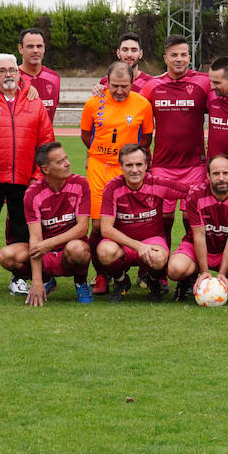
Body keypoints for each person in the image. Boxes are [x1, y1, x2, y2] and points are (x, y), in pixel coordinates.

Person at [0, 53, 55, 296]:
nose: (8, 75)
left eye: (12, 70)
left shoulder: (33, 101)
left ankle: (20, 276)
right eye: (2, 71)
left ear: (19, 73)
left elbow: (45, 142)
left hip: (25, 179)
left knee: (22, 230)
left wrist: (38, 176)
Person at [81, 61, 154, 294]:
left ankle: (138, 271)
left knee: (130, 220)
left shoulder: (143, 104)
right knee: (97, 226)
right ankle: (102, 275)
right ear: (107, 81)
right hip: (99, 167)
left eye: (125, 86)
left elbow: (146, 139)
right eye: (115, 86)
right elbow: (85, 135)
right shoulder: (94, 103)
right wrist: (101, 153)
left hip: (127, 170)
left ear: (133, 83)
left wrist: (128, 160)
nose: (120, 91)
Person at [0, 141, 93, 306]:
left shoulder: (81, 184)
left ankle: (81, 282)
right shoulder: (32, 194)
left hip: (69, 247)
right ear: (45, 169)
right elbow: (35, 238)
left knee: (78, 249)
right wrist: (36, 281)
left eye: (66, 158)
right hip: (45, 251)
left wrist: (49, 243)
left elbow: (82, 228)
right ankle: (46, 280)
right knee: (6, 256)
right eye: (60, 162)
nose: (67, 163)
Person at [147, 35, 211, 268]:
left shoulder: (203, 83)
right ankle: (160, 268)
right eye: (174, 55)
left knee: (191, 218)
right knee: (162, 219)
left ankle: (190, 265)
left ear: (189, 57)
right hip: (162, 165)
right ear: (165, 58)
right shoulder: (152, 86)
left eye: (184, 54)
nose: (179, 59)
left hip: (194, 165)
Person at [96, 143, 191, 301]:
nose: (134, 170)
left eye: (139, 164)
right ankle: (121, 281)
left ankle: (152, 281)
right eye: (129, 165)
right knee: (105, 251)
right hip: (122, 243)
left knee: (159, 257)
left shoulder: (157, 183)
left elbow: (191, 191)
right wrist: (138, 246)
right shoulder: (112, 188)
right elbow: (106, 229)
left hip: (152, 240)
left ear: (147, 165)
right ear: (121, 166)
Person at [167, 154, 228, 294]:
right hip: (196, 247)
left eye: (225, 173)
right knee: (175, 269)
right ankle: (190, 278)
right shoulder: (196, 195)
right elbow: (199, 236)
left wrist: (223, 273)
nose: (221, 178)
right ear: (208, 176)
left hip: (226, 248)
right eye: (216, 173)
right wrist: (205, 273)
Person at [17, 28, 61, 123]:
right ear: (20, 48)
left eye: (39, 46)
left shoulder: (54, 78)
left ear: (44, 48)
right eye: (30, 46)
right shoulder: (12, 77)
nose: (35, 50)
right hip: (20, 137)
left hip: (46, 137)